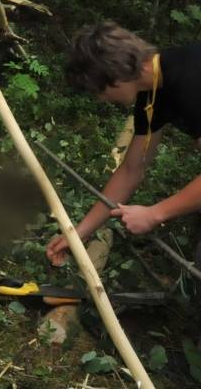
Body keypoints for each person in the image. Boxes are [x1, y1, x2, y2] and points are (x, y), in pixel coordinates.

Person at [46, 21, 201, 266]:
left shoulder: (192, 78)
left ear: (115, 77)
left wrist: (154, 214)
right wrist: (79, 233)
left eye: (99, 91)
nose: (102, 99)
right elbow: (131, 170)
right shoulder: (151, 94)